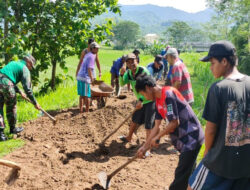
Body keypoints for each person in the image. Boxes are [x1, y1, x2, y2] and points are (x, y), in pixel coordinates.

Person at [188, 41, 250, 190]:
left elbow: (210, 130)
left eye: (212, 62)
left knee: (192, 187)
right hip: (245, 163)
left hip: (219, 162)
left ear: (224, 61)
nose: (210, 67)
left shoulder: (218, 89)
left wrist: (207, 157)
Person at [135, 74, 204, 190]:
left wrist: (158, 137)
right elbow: (156, 127)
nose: (145, 97)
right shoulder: (157, 101)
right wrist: (144, 147)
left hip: (192, 137)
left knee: (180, 177)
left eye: (143, 94)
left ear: (148, 87)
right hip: (185, 140)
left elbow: (174, 122)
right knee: (189, 175)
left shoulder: (168, 94)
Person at [0, 55, 41, 141]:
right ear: (28, 62)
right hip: (6, 84)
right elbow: (28, 89)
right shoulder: (24, 68)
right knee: (11, 105)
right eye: (31, 66)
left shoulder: (13, 63)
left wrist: (19, 91)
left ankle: (1, 134)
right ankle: (12, 128)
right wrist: (35, 102)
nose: (30, 68)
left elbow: (7, 77)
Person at [119, 53, 156, 143]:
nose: (131, 64)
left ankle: (148, 147)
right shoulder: (128, 73)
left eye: (133, 61)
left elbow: (150, 88)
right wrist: (121, 74)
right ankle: (129, 137)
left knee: (148, 125)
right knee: (134, 120)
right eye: (128, 62)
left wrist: (141, 100)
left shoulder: (143, 71)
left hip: (150, 100)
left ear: (137, 61)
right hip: (141, 101)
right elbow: (122, 84)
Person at [76, 42, 100, 113]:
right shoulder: (92, 56)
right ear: (93, 48)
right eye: (97, 48)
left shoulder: (88, 55)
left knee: (81, 95)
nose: (98, 50)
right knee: (87, 95)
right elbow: (89, 69)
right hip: (85, 78)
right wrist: (92, 79)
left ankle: (80, 111)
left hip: (80, 76)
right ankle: (87, 112)